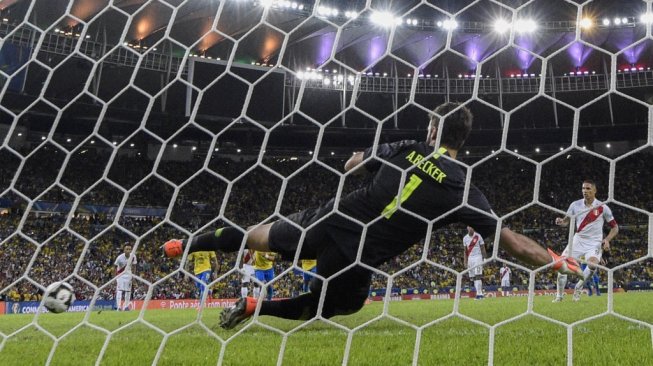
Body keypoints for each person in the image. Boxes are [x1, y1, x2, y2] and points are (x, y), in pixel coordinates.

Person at [163, 102, 582, 330]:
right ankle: (257, 306)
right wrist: (559, 262)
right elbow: (510, 241)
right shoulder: (464, 189)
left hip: (331, 218)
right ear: (463, 140)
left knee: (258, 236)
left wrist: (366, 163)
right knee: (329, 307)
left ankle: (187, 244)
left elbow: (354, 165)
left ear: (434, 131)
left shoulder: (404, 147)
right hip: (357, 254)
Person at [553, 179, 618, 302]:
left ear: (594, 190)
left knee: (592, 265)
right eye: (583, 188)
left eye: (588, 188)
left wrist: (607, 239)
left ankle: (578, 287)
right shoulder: (575, 205)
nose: (585, 191)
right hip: (578, 240)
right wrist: (561, 221)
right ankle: (559, 296)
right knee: (561, 265)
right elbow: (566, 221)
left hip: (595, 242)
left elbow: (615, 227)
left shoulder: (603, 207)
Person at [462, 226, 487, 299]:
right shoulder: (465, 238)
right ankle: (480, 293)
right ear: (467, 228)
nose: (471, 229)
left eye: (472, 227)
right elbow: (465, 251)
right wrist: (465, 261)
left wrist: (485, 258)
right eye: (469, 227)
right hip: (470, 259)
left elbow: (482, 247)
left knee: (478, 275)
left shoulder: (478, 236)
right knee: (472, 278)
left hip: (478, 257)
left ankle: (479, 294)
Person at [115, 244, 137, 311]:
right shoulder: (119, 257)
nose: (128, 250)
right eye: (127, 249)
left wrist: (133, 277)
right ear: (124, 250)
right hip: (120, 275)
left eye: (129, 249)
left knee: (128, 291)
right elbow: (114, 266)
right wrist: (115, 277)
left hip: (129, 274)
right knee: (119, 291)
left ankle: (126, 307)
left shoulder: (133, 256)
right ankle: (118, 307)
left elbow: (134, 267)